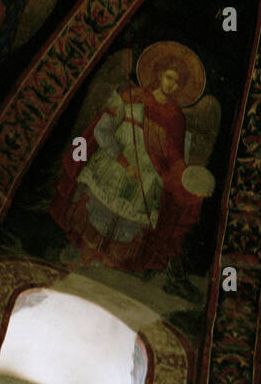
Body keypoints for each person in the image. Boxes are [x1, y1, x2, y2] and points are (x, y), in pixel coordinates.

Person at [51, 43, 214, 272]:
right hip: (114, 165)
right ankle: (85, 255)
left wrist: (186, 180)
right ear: (158, 74)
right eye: (169, 77)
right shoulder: (133, 96)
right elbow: (103, 129)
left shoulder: (176, 117)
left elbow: (175, 156)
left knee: (127, 225)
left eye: (177, 81)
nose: (171, 84)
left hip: (146, 180)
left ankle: (109, 264)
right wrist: (121, 160)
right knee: (95, 213)